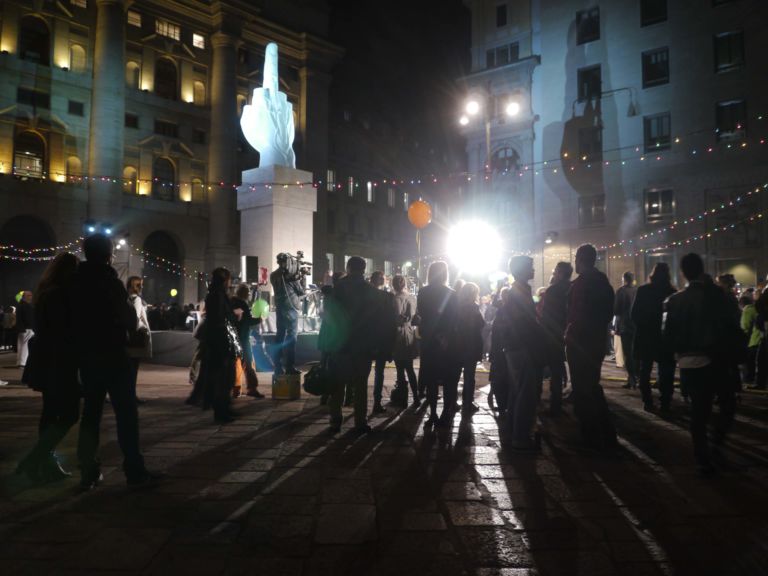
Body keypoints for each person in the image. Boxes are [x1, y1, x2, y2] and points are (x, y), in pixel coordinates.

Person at [72, 234, 158, 489]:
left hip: (88, 356)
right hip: (113, 354)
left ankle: (88, 471)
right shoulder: (110, 282)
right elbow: (129, 321)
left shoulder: (75, 282)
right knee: (126, 414)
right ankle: (134, 469)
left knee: (91, 415)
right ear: (108, 254)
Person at [665, 253, 741, 475]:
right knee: (726, 405)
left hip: (688, 362)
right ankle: (716, 446)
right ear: (702, 270)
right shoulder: (718, 296)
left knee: (698, 412)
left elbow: (668, 334)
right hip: (715, 359)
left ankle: (701, 457)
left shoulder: (676, 300)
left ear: (683, 273)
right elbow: (732, 324)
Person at [15, 253, 80, 482]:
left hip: (46, 357)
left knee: (50, 412)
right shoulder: (60, 294)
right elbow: (64, 329)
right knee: (71, 413)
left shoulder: (46, 291)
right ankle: (35, 458)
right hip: (59, 359)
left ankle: (41, 463)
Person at [325, 256, 387, 434]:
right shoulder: (370, 290)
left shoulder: (339, 288)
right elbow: (377, 321)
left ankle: (335, 419)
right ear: (364, 269)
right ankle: (360, 422)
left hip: (341, 343)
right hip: (362, 344)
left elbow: (330, 315)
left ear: (348, 267)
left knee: (337, 384)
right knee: (361, 385)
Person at [565, 244, 617, 451]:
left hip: (580, 342)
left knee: (583, 390)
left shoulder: (582, 284)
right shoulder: (603, 283)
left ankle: (590, 436)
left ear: (580, 259)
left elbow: (576, 314)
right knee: (592, 386)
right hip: (595, 341)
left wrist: (571, 333)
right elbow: (607, 314)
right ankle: (606, 433)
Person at [498, 256, 546, 451]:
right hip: (521, 346)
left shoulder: (518, 290)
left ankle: (512, 431)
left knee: (517, 391)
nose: (534, 270)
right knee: (525, 394)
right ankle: (520, 437)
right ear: (523, 270)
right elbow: (523, 322)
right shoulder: (520, 292)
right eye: (531, 267)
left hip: (515, 346)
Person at [417, 261, 459, 427]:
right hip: (447, 340)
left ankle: (432, 413)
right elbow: (454, 317)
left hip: (429, 339)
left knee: (431, 379)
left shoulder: (423, 292)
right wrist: (445, 335)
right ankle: (445, 413)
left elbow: (422, 313)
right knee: (449, 380)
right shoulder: (452, 293)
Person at [631, 263, 677, 411]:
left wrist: (643, 325)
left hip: (646, 336)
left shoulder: (643, 291)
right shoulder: (672, 292)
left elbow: (634, 314)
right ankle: (665, 403)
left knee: (645, 371)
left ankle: (647, 401)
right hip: (664, 338)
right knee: (666, 372)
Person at [200, 267, 241, 423]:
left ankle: (225, 407)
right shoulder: (217, 296)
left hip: (219, 340)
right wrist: (234, 314)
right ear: (225, 280)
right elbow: (220, 318)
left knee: (226, 376)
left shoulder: (216, 294)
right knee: (223, 377)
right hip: (220, 341)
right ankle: (221, 411)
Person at [539, 262, 573, 415]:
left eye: (555, 272)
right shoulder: (573, 288)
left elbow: (547, 315)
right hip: (572, 333)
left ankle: (555, 404)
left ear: (559, 273)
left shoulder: (553, 290)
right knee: (568, 369)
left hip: (553, 334)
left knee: (554, 369)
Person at [453, 282, 485, 415]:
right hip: (471, 345)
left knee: (454, 374)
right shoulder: (474, 307)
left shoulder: (456, 306)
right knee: (469, 375)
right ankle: (467, 401)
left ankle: (452, 401)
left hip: (457, 344)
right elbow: (480, 324)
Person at [270, 253, 304, 376]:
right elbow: (301, 292)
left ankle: (278, 366)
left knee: (280, 336)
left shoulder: (273, 275)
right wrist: (300, 279)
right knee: (291, 337)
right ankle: (290, 367)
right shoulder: (290, 276)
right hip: (291, 309)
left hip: (280, 308)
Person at [231, 283, 265, 399]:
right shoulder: (242, 304)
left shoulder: (230, 302)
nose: (249, 294)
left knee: (235, 364)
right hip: (243, 338)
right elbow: (247, 321)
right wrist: (259, 319)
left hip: (232, 338)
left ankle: (235, 390)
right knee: (248, 364)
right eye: (248, 292)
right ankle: (252, 388)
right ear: (244, 293)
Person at [370, 270, 397, 413]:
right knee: (379, 372)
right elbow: (391, 321)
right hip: (381, 339)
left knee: (362, 371)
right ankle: (376, 402)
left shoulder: (366, 296)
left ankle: (354, 399)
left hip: (368, 338)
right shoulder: (388, 297)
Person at [390, 274, 419, 407]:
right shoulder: (412, 298)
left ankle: (403, 399)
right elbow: (414, 317)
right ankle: (416, 397)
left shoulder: (394, 299)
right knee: (410, 368)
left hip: (398, 336)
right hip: (409, 334)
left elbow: (395, 319)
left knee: (400, 370)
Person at [126, 276, 152, 405]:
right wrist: (143, 328)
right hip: (135, 339)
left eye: (141, 285)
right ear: (130, 286)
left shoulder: (127, 298)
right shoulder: (136, 299)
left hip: (128, 339)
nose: (141, 287)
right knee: (132, 370)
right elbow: (135, 319)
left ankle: (129, 395)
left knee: (128, 370)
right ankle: (131, 396)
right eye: (138, 285)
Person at [614, 271, 637, 389]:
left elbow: (616, 310)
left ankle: (631, 379)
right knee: (635, 353)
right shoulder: (637, 291)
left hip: (625, 326)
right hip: (636, 326)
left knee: (628, 354)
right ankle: (636, 377)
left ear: (624, 279)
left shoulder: (621, 291)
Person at [739, 294, 761, 385]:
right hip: (761, 339)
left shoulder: (747, 311)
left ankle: (748, 380)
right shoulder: (756, 309)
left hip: (753, 340)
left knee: (749, 362)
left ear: (741, 305)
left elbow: (745, 327)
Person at [16, 290, 34, 368]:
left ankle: (19, 362)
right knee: (25, 346)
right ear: (24, 297)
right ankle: (23, 363)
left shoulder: (20, 305)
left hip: (22, 328)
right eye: (29, 295)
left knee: (21, 345)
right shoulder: (26, 305)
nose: (31, 297)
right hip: (27, 328)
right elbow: (28, 318)